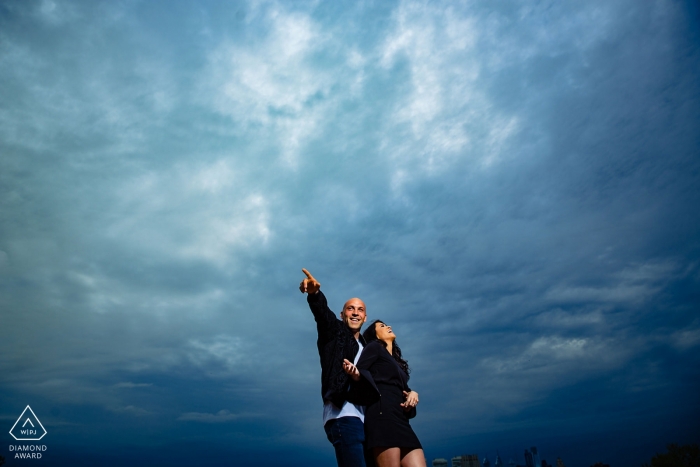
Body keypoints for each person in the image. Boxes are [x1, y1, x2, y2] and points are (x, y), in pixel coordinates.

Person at [299, 268, 369, 467]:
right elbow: (322, 314)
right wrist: (315, 294)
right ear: (342, 314)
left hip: (368, 420)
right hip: (344, 416)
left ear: (365, 317)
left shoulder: (367, 347)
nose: (355, 312)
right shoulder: (334, 332)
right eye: (350, 308)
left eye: (360, 310)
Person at [343, 320, 426, 467]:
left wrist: (412, 393)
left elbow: (403, 387)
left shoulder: (395, 362)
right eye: (382, 326)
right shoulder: (373, 347)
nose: (389, 326)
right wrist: (355, 374)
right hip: (382, 415)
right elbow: (361, 370)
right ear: (375, 335)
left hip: (400, 418)